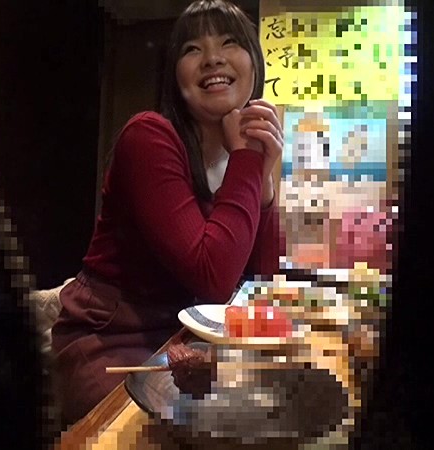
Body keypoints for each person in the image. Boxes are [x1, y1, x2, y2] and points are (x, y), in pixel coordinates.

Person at [51, 0, 284, 425]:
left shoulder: (235, 158)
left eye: (229, 42)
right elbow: (212, 277)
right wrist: (249, 161)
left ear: (255, 63)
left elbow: (260, 285)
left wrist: (264, 184)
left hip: (184, 344)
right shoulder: (149, 136)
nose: (212, 57)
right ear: (175, 76)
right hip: (111, 342)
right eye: (192, 49)